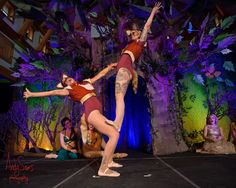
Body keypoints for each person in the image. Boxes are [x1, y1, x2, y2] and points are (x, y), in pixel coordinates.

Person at [24, 63, 121, 177]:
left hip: (96, 111)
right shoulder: (69, 90)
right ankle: (103, 169)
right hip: (91, 112)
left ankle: (109, 161)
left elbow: (100, 75)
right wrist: (32, 94)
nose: (68, 79)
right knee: (114, 134)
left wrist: (109, 68)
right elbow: (52, 92)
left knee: (114, 131)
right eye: (66, 80)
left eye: (68, 78)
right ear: (65, 85)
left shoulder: (85, 83)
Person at [107, 2, 162, 131]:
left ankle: (117, 123)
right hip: (123, 68)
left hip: (125, 69)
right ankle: (117, 123)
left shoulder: (140, 44)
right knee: (118, 97)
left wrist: (153, 11)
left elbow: (147, 26)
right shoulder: (129, 46)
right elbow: (124, 58)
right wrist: (116, 64)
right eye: (134, 32)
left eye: (137, 32)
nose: (135, 33)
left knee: (119, 97)